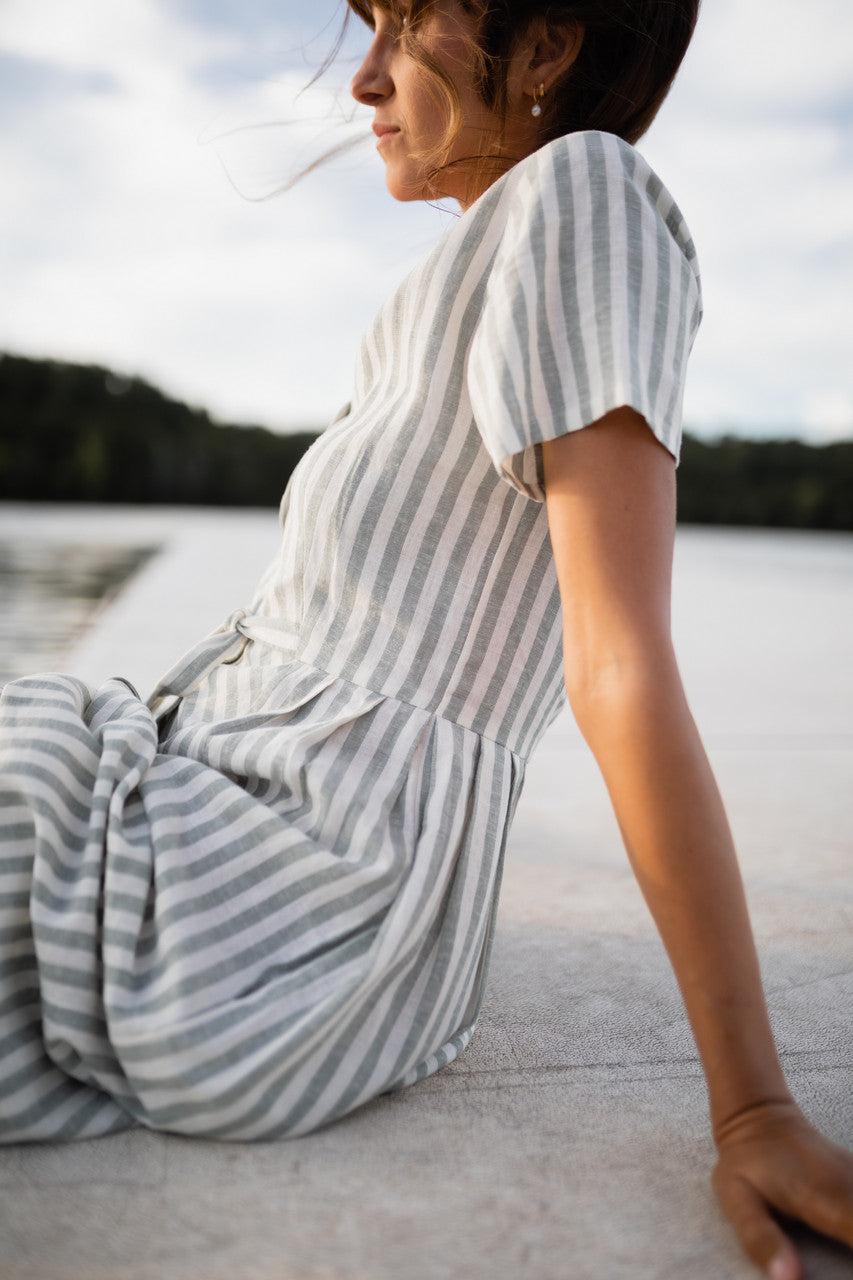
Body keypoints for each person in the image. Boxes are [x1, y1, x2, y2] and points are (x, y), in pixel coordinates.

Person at [0, 1, 850, 1275]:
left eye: (402, 21)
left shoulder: (586, 194)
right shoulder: (466, 268)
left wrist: (753, 1107)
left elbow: (618, 661)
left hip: (289, 883)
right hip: (203, 794)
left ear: (548, 43)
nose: (362, 80)